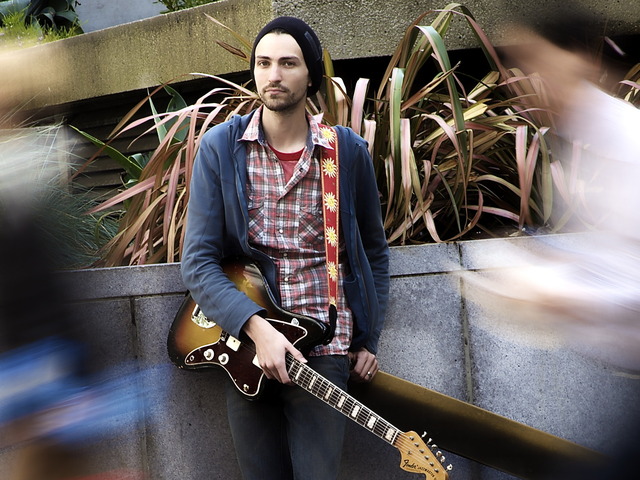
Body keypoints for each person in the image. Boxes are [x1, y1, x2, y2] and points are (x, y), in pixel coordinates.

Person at [180, 16, 390, 480]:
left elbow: (373, 252)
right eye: (263, 63)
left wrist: (368, 338)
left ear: (310, 75)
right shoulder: (221, 148)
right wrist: (256, 328)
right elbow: (197, 262)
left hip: (325, 346)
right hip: (245, 346)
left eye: (288, 63)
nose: (273, 75)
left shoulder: (346, 152)